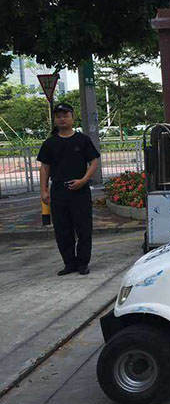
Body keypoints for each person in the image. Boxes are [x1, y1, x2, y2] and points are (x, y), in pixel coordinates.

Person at [37, 103, 100, 276]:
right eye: (58, 116)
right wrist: (44, 190)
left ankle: (83, 263)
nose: (62, 119)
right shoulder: (49, 143)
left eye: (65, 116)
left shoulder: (83, 140)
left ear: (72, 118)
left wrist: (84, 180)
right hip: (59, 191)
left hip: (80, 190)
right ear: (55, 119)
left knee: (83, 228)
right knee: (62, 229)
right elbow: (45, 167)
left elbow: (94, 161)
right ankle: (69, 263)